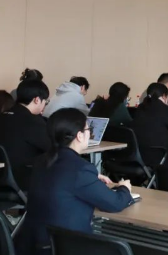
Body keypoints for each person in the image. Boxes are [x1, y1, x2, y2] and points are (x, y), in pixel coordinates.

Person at [15, 108, 133, 255]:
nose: (90, 133)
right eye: (88, 129)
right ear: (79, 136)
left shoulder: (40, 161)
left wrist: (91, 179)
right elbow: (115, 203)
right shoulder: (81, 169)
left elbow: (61, 181)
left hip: (31, 245)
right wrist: (124, 188)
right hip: (63, 248)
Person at [0, 80, 51, 190]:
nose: (45, 105)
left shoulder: (0, 117)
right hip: (23, 180)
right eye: (46, 101)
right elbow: (53, 147)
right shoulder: (32, 121)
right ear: (37, 100)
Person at [130, 83, 168, 168]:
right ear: (165, 96)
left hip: (138, 156)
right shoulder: (167, 110)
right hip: (159, 157)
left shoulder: (140, 108)